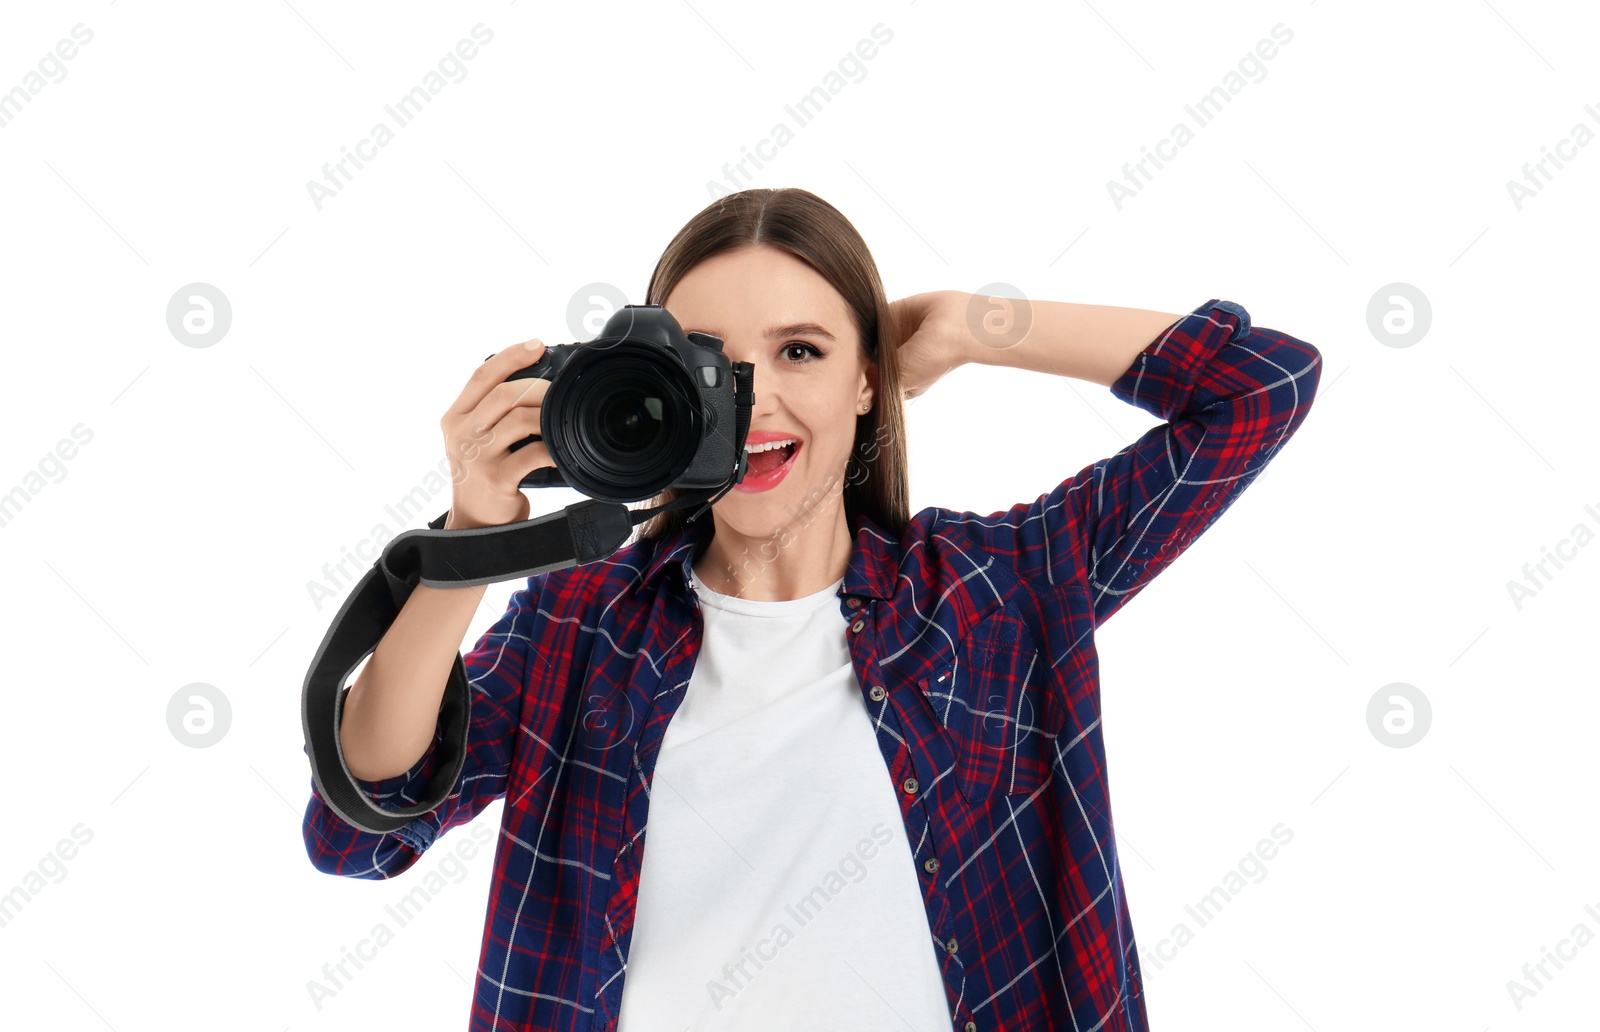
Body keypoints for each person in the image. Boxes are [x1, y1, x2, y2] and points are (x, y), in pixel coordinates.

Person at [303, 187, 1323, 1032]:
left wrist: (976, 325)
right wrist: (472, 532)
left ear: (868, 380)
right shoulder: (579, 622)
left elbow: (1260, 387)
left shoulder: (997, 591)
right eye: (706, 362)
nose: (751, 402)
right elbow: (359, 828)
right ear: (645, 390)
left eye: (800, 351)